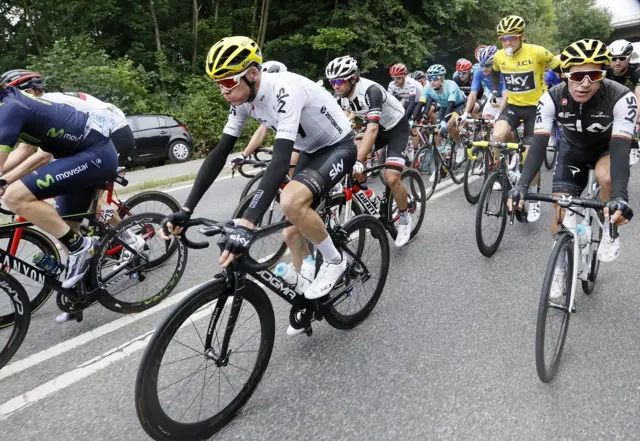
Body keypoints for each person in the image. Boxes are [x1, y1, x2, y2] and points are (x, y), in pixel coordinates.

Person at [163, 36, 356, 304]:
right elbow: (219, 152)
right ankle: (308, 300)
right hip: (309, 150)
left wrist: (248, 222)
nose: (224, 91)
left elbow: (280, 157)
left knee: (291, 202)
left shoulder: (285, 89)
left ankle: (336, 260)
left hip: (337, 146)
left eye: (229, 82)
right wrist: (186, 209)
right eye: (218, 84)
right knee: (290, 233)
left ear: (253, 74)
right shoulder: (242, 101)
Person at [508, 39, 635, 297]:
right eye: (578, 75)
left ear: (604, 74)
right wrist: (521, 185)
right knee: (561, 212)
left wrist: (621, 197)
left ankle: (608, 225)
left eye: (594, 75)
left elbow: (621, 151)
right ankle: (560, 265)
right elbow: (539, 144)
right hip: (572, 151)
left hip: (606, 150)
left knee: (606, 177)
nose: (585, 83)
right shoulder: (551, 97)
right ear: (565, 74)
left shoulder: (621, 97)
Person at [0, 72, 118, 290]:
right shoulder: (10, 102)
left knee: (15, 196)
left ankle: (93, 244)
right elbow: (18, 153)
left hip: (98, 151)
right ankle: (83, 292)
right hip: (77, 154)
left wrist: (4, 182)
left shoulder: (10, 107)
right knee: (67, 226)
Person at [326, 55, 414, 247]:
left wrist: (359, 158)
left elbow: (372, 130)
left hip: (396, 128)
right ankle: (368, 197)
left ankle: (405, 217)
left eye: (339, 81)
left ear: (353, 78)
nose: (335, 86)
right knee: (350, 162)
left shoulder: (370, 91)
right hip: (376, 127)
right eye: (332, 82)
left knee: (391, 177)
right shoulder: (340, 98)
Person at [491, 15, 562, 222]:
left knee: (530, 155)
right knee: (496, 136)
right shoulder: (499, 56)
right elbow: (494, 73)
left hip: (536, 108)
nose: (507, 43)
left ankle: (533, 198)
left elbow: (560, 68)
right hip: (514, 106)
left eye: (511, 38)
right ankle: (503, 171)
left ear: (522, 36)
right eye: (503, 39)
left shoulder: (538, 52)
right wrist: (495, 90)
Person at [412, 64, 467, 164]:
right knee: (436, 130)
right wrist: (413, 119)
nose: (431, 81)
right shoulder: (428, 87)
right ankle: (441, 156)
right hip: (444, 107)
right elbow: (421, 103)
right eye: (429, 78)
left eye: (434, 78)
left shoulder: (451, 85)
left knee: (449, 125)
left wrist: (445, 122)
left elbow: (451, 105)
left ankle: (460, 146)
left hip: (458, 106)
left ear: (442, 79)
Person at [606, 39, 640, 165]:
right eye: (613, 59)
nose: (617, 62)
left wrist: (632, 122)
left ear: (630, 58)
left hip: (632, 101)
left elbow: (639, 98)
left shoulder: (636, 71)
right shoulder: (605, 70)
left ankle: (633, 139)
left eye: (622, 58)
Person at [459, 46, 507, 123]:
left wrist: (499, 113)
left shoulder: (504, 71)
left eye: (487, 65)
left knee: (503, 123)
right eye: (481, 65)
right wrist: (465, 113)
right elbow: (473, 94)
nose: (484, 69)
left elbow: (506, 95)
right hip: (496, 97)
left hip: (510, 97)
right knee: (486, 121)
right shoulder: (479, 72)